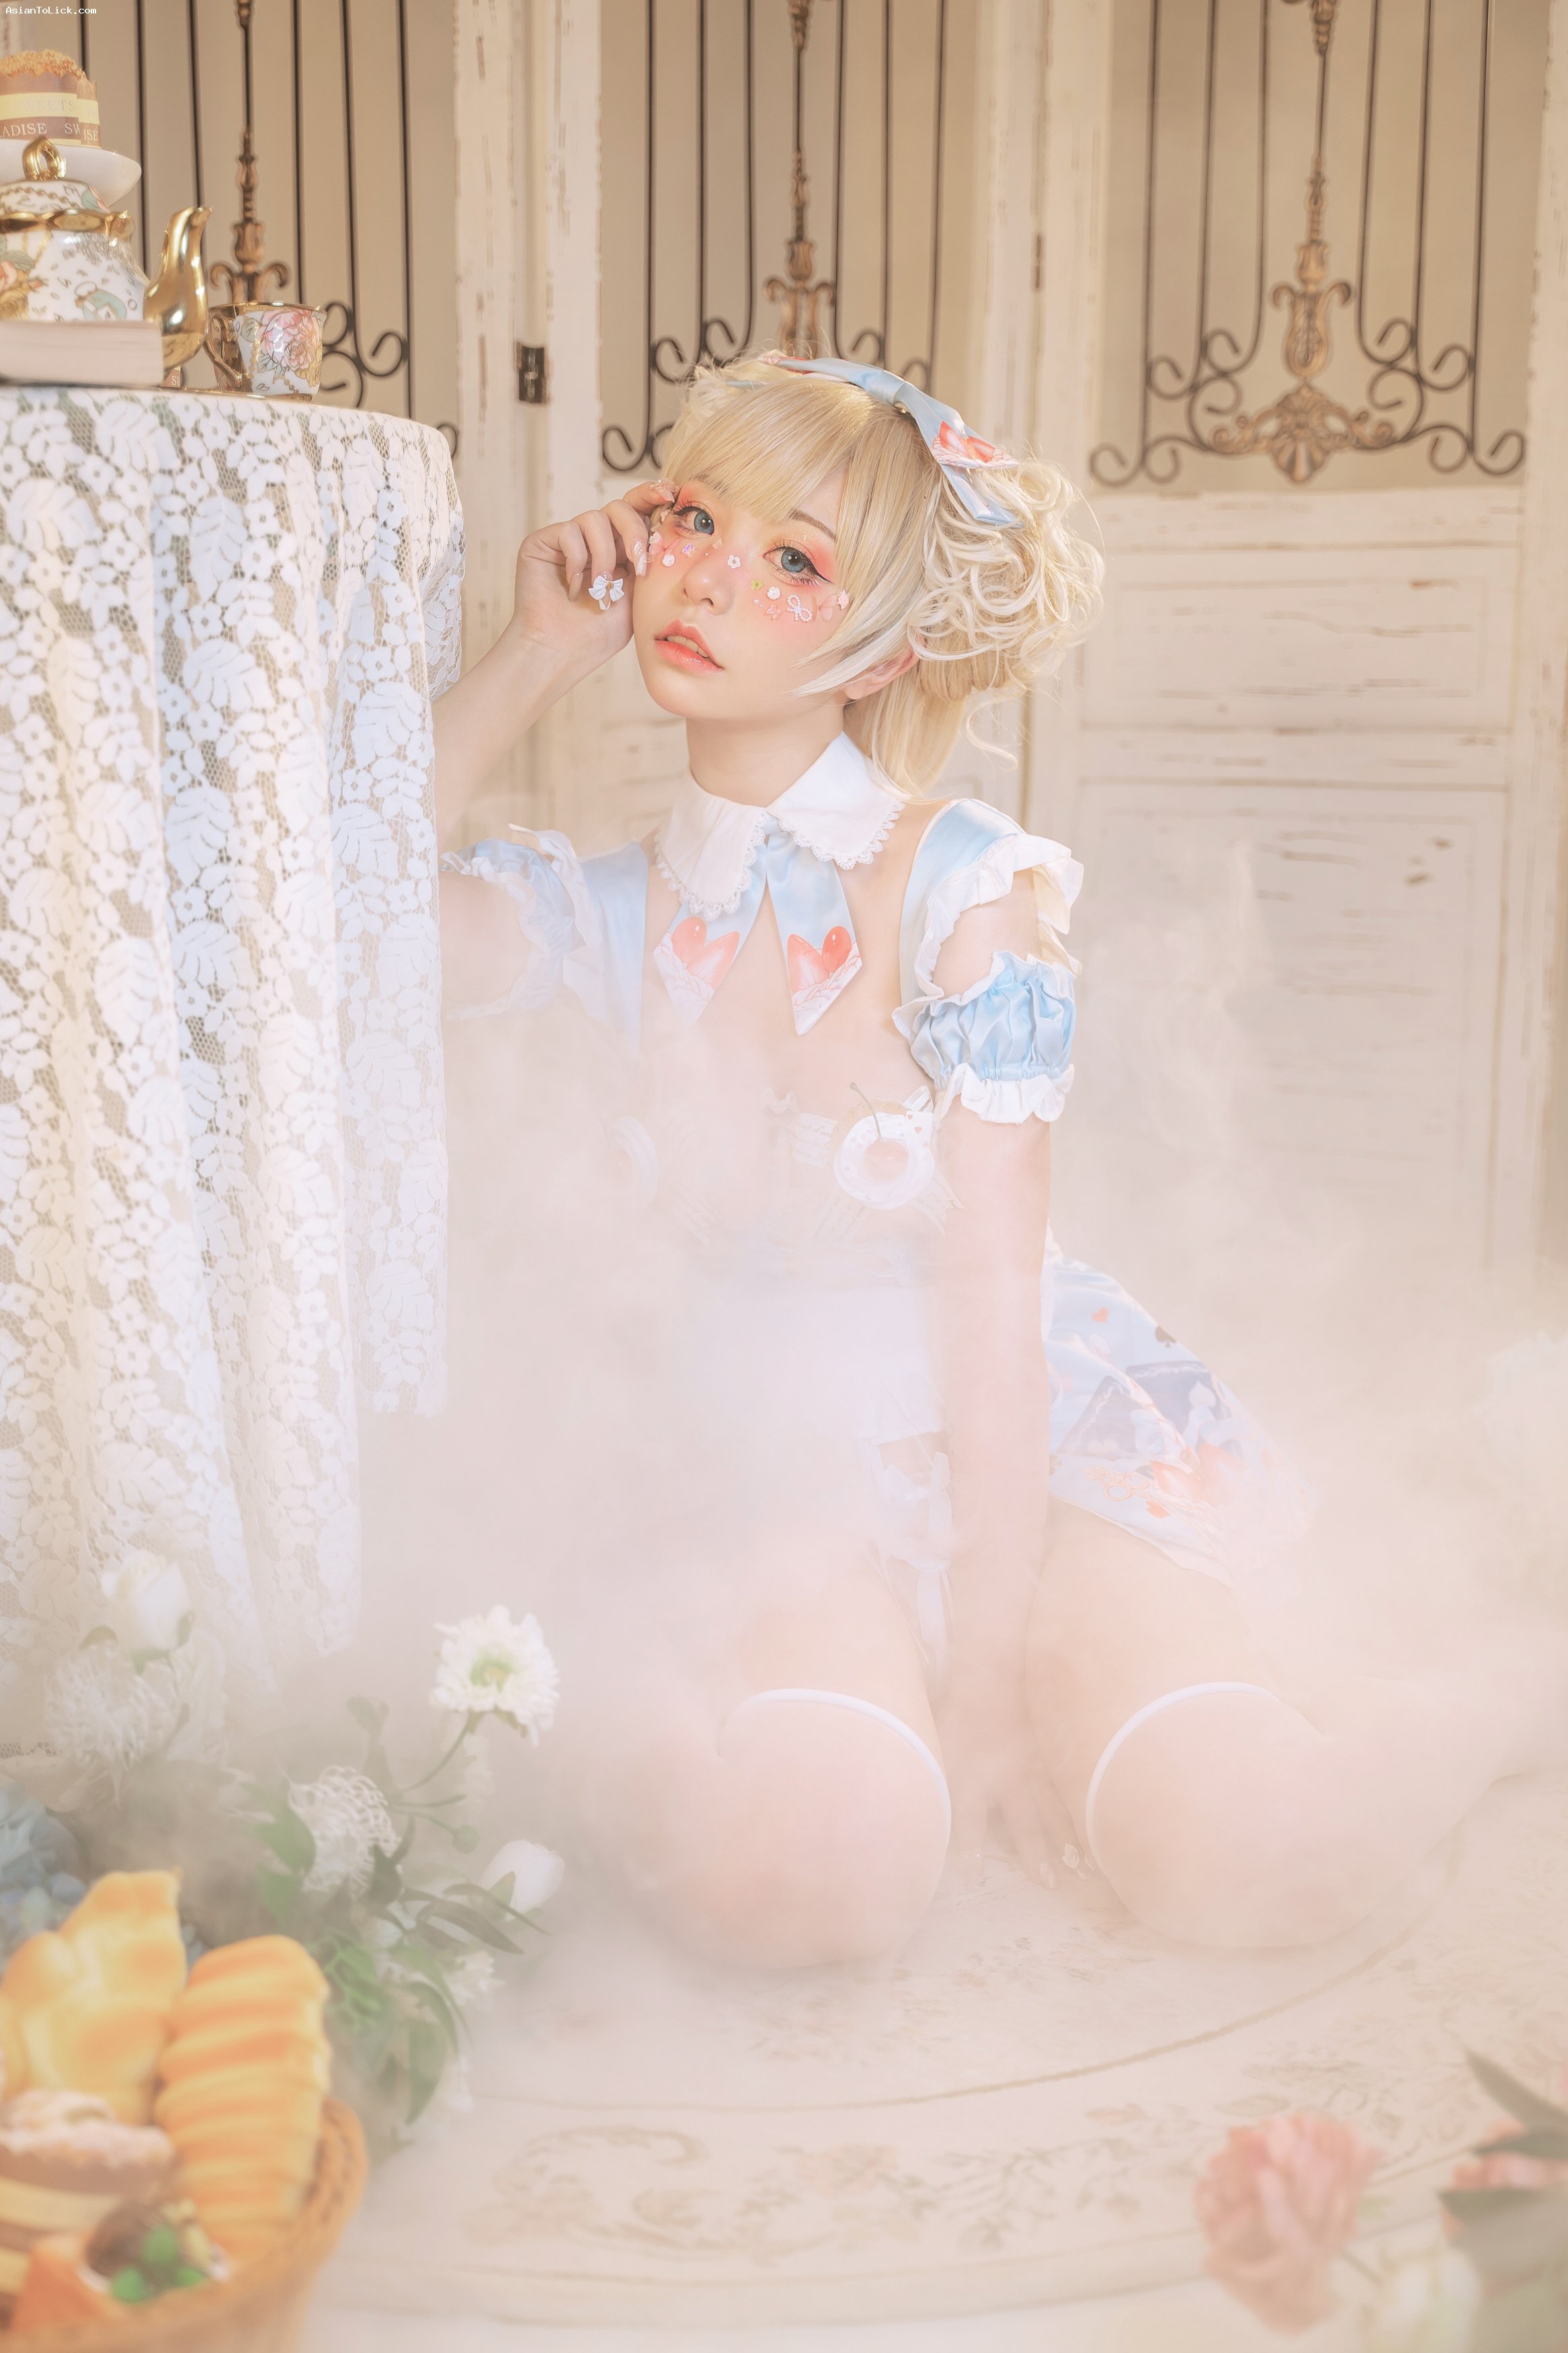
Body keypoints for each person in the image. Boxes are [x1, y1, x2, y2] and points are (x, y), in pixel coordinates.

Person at [434, 356, 1561, 1968]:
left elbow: (988, 1295)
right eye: (692, 519)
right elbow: (331, 903)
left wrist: (991, 1681)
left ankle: (1509, 1690)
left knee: (1257, 1859)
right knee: (805, 1889)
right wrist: (536, 652)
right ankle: (650, 1710)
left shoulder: (969, 890)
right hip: (765, 1483)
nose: (709, 578)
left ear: (886, 645)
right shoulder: (592, 909)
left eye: (793, 557)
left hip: (1021, 1456)